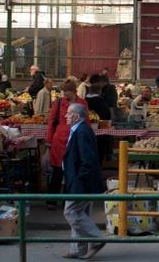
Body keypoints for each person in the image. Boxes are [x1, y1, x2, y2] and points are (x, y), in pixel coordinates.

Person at [60, 103, 106, 259]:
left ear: (76, 116)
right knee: (79, 213)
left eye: (68, 113)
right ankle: (78, 249)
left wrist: (79, 179)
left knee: (71, 211)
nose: (65, 116)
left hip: (81, 182)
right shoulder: (80, 130)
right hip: (80, 180)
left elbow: (88, 159)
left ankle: (97, 239)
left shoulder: (82, 131)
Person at [45, 79, 88, 210]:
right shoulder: (58, 103)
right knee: (57, 172)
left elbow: (87, 121)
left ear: (74, 91)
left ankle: (67, 201)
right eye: (63, 92)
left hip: (75, 140)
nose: (64, 94)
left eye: (67, 92)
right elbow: (51, 122)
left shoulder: (83, 103)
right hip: (59, 141)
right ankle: (51, 201)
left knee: (72, 171)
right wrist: (48, 141)